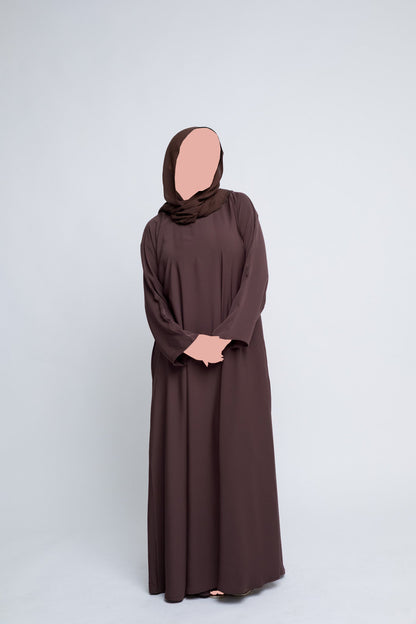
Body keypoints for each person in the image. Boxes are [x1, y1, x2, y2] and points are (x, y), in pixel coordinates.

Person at [139, 126, 285, 603]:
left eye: (209, 157)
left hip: (237, 357)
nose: (198, 168)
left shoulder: (239, 209)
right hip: (181, 366)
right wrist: (188, 345)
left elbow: (256, 277)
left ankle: (240, 568)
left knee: (237, 458)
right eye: (189, 158)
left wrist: (223, 337)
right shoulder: (155, 231)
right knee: (188, 463)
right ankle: (192, 572)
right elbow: (154, 304)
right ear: (171, 164)